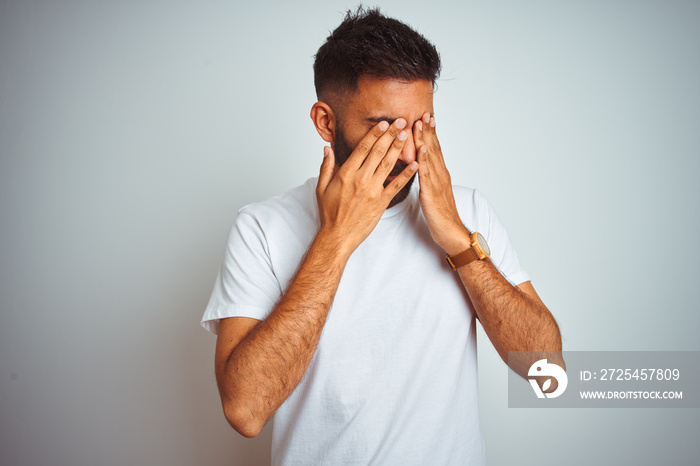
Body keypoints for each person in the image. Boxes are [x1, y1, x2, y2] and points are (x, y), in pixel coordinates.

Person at [202, 7, 561, 465]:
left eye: (421, 124)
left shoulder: (467, 212)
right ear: (326, 122)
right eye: (384, 126)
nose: (409, 148)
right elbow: (245, 410)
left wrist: (457, 240)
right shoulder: (261, 228)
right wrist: (335, 238)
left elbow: (546, 370)